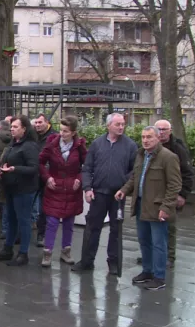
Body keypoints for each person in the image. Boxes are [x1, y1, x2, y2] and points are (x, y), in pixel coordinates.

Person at [115, 126, 181, 290]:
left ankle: (159, 277)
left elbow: (174, 185)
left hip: (158, 208)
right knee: (144, 241)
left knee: (159, 243)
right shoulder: (141, 155)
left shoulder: (168, 157)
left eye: (149, 137)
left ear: (158, 138)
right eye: (143, 137)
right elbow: (135, 178)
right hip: (141, 205)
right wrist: (124, 190)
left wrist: (166, 207)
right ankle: (147, 271)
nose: (145, 140)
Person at [73, 113, 138, 274]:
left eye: (123, 124)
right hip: (98, 194)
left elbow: (134, 171)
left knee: (116, 230)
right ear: (108, 125)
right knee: (92, 227)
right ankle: (87, 261)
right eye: (117, 124)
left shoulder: (130, 146)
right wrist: (87, 188)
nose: (121, 127)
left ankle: (114, 263)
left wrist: (124, 186)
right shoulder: (97, 144)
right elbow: (87, 168)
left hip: (118, 195)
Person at [139, 119, 193, 268]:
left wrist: (182, 194)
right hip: (152, 196)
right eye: (159, 129)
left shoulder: (177, 149)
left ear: (170, 131)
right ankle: (151, 254)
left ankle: (169, 256)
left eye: (164, 129)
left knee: (169, 226)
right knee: (150, 227)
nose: (162, 132)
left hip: (170, 194)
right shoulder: (148, 149)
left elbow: (187, 173)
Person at [38, 116, 87, 267]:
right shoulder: (52, 143)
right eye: (61, 130)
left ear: (73, 132)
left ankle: (66, 251)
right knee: (52, 222)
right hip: (55, 187)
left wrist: (79, 178)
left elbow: (87, 165)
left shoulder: (79, 146)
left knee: (68, 222)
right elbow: (40, 161)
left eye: (66, 131)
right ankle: (47, 252)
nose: (62, 134)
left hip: (72, 189)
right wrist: (47, 177)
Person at [0, 115, 40, 266]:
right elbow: (6, 161)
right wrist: (2, 172)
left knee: (23, 221)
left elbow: (34, 168)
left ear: (24, 129)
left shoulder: (30, 146)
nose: (12, 129)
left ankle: (23, 253)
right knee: (11, 219)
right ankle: (7, 249)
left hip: (24, 190)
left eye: (15, 127)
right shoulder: (13, 144)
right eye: (11, 127)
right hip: (10, 188)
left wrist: (14, 169)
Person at [32, 113, 58, 247]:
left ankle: (41, 234)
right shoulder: (33, 136)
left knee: (43, 207)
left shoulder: (54, 137)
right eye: (36, 122)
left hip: (46, 176)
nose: (37, 125)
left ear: (47, 123)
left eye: (40, 122)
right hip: (32, 175)